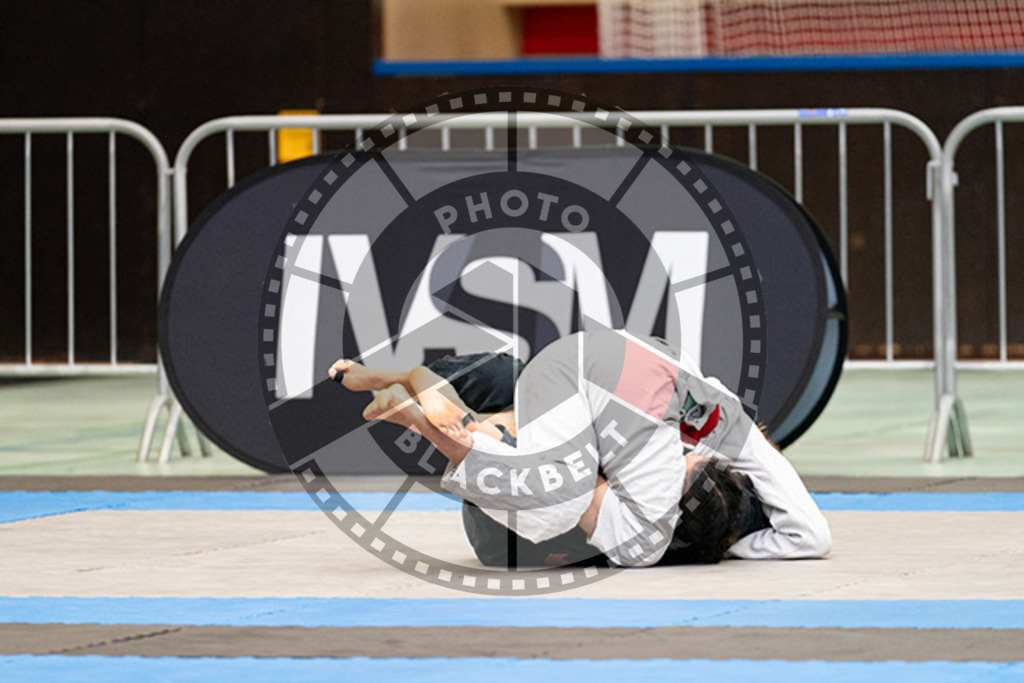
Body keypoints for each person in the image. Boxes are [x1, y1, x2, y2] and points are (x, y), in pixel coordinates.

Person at [330, 330, 831, 567]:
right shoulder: (726, 483)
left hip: (501, 530)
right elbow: (806, 529)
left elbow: (569, 481)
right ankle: (411, 382)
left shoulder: (651, 518)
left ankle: (420, 394)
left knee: (548, 462)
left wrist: (437, 420)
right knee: (513, 379)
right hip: (534, 465)